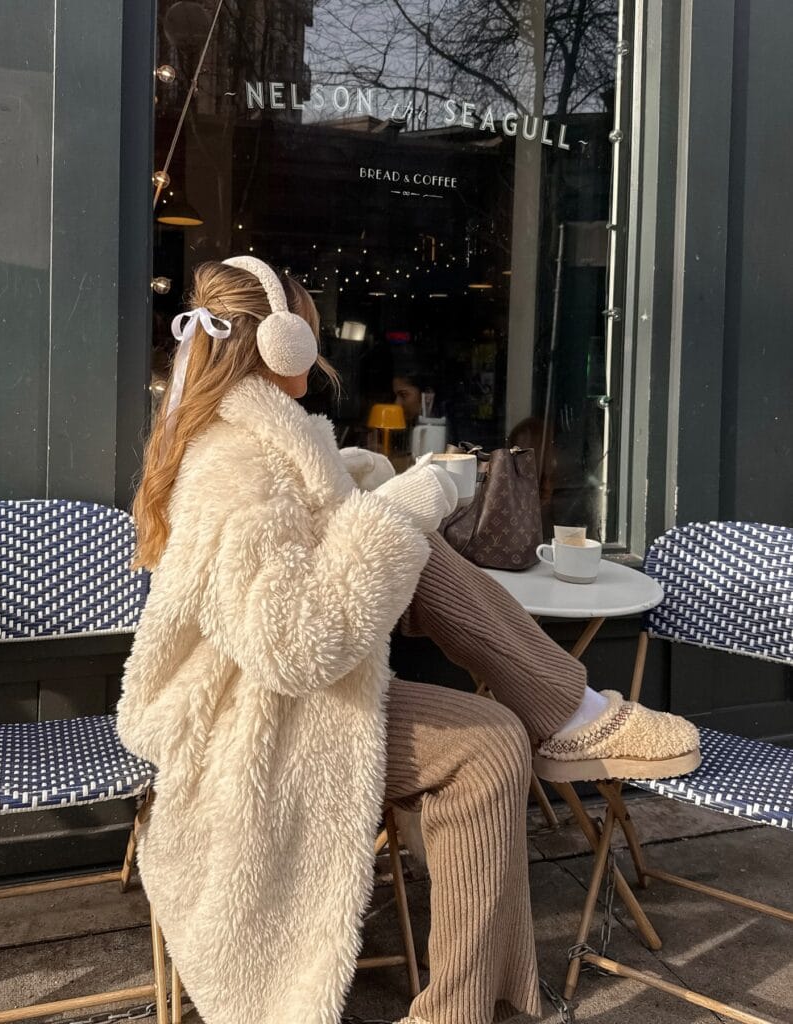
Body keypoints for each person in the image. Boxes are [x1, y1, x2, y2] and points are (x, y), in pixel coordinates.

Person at [116, 256, 700, 1024]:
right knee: (486, 729)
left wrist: (370, 489)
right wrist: (397, 511)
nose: (319, 350)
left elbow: (314, 542)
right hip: (252, 728)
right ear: (281, 345)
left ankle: (566, 718)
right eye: (312, 332)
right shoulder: (233, 466)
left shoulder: (268, 441)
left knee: (477, 695)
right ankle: (571, 715)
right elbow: (293, 645)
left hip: (297, 703)